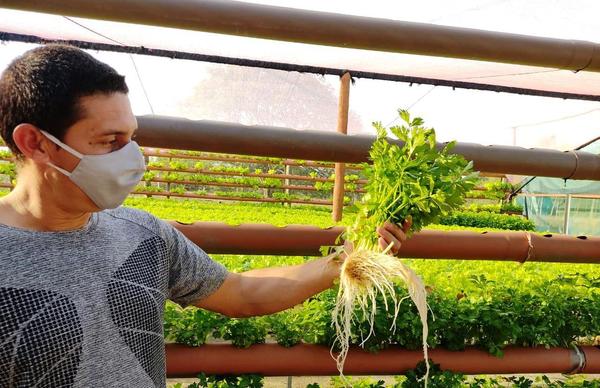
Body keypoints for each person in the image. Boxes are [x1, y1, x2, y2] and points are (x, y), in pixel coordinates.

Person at [0, 44, 410, 387]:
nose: (132, 157)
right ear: (35, 142)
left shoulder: (143, 234)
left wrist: (350, 259)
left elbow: (240, 293)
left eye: (132, 138)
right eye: (109, 141)